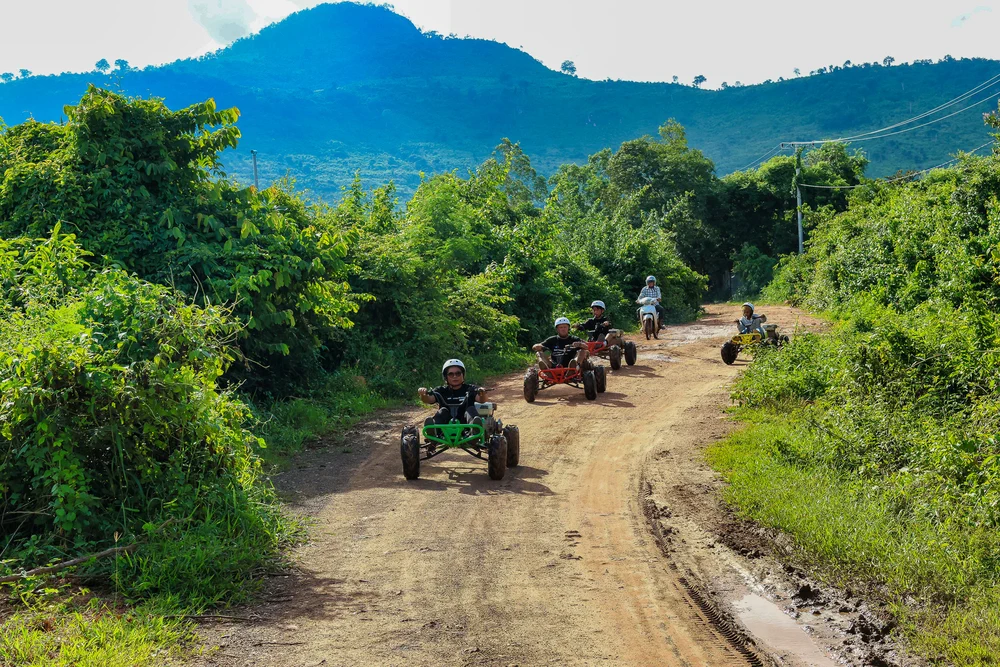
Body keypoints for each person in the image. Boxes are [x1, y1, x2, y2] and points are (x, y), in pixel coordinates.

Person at [418, 359, 487, 429]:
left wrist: (482, 393)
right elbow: (429, 400)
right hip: (445, 428)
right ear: (446, 377)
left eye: (458, 373)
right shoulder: (441, 390)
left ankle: (475, 429)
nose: (455, 376)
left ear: (463, 375)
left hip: (467, 427)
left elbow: (482, 400)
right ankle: (433, 430)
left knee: (470, 409)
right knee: (443, 411)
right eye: (451, 374)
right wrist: (423, 395)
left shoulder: (470, 389)